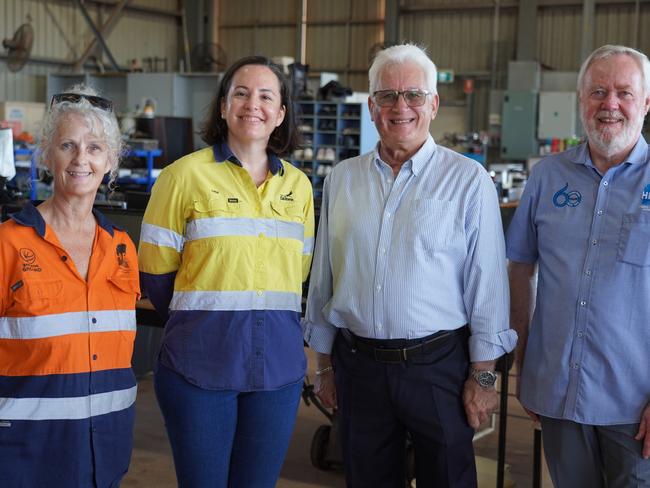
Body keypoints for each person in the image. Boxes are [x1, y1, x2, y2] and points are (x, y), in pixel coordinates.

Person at [304, 43, 516, 487]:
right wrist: (320, 363)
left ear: (433, 104)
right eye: (387, 95)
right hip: (358, 367)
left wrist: (484, 375)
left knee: (448, 479)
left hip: (437, 367)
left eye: (414, 95)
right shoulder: (341, 179)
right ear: (371, 106)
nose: (401, 106)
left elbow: (488, 286)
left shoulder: (468, 181)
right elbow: (324, 278)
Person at [138, 56, 314, 487]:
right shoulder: (182, 177)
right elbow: (156, 274)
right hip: (201, 368)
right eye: (241, 93)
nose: (252, 104)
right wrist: (201, 323)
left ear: (281, 114)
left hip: (276, 372)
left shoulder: (299, 187)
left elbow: (300, 272)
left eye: (266, 96)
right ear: (222, 107)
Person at [507, 44, 650, 487]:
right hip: (558, 391)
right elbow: (520, 269)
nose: (610, 104)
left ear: (646, 102)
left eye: (624, 93)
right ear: (580, 99)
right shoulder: (547, 177)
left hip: (636, 404)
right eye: (598, 92)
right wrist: (524, 358)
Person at [0, 86, 139, 487]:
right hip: (26, 456)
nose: (82, 159)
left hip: (105, 451)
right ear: (47, 155)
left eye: (95, 147)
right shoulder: (9, 244)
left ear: (110, 161)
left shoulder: (121, 248)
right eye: (68, 145)